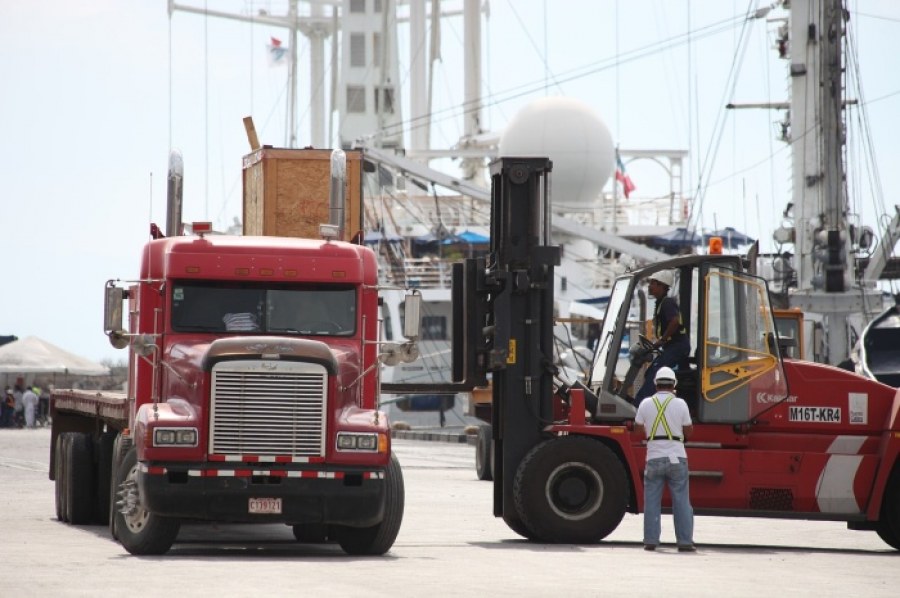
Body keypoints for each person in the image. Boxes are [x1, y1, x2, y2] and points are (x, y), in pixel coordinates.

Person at [634, 366, 695, 552]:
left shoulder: (645, 403)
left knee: (651, 501)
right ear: (674, 384)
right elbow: (689, 430)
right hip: (677, 457)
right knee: (682, 501)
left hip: (653, 457)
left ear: (655, 384)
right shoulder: (681, 404)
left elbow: (637, 429)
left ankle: (650, 540)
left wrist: (651, 432)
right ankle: (684, 542)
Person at [635, 269, 690, 402]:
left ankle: (640, 404)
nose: (649, 286)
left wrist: (662, 339)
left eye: (653, 283)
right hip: (673, 346)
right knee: (649, 372)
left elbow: (675, 321)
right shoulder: (661, 303)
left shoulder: (667, 303)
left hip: (677, 346)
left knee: (655, 373)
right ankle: (649, 400)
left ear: (662, 285)